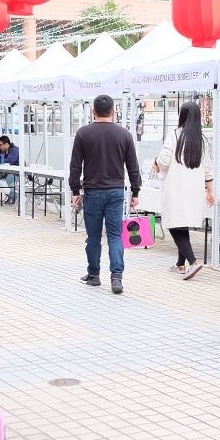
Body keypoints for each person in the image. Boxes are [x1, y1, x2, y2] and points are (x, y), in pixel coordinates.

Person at [68, 94, 142, 295]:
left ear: (93, 112)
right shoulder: (124, 135)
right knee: (115, 236)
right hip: (116, 192)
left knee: (93, 237)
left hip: (92, 192)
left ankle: (93, 275)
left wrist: (75, 190)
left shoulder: (83, 133)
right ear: (113, 112)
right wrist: (136, 191)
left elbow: (75, 166)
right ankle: (116, 277)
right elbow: (133, 167)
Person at [155, 101, 215, 279]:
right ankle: (181, 264)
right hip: (194, 190)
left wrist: (156, 163)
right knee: (181, 222)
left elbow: (164, 161)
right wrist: (210, 191)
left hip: (176, 188)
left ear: (181, 115)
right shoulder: (202, 140)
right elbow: (208, 168)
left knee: (173, 223)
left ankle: (193, 261)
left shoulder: (174, 135)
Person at [0, 135, 20, 204]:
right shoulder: (5, 151)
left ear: (7, 144)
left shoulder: (15, 150)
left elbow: (9, 161)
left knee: (4, 184)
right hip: (7, 172)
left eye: (1, 145)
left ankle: (16, 196)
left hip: (16, 173)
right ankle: (13, 196)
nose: (0, 146)